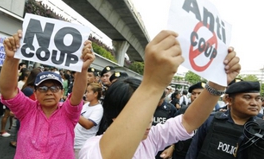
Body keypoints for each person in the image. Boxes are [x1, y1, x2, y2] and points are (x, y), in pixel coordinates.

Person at [78, 30, 241, 159]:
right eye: (140, 112)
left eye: (150, 111)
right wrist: (153, 83)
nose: (149, 119)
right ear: (115, 115)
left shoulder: (149, 139)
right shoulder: (92, 148)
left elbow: (188, 121)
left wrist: (218, 83)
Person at [0, 30, 95, 159]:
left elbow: (77, 97)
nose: (49, 92)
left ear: (62, 93)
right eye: (43, 88)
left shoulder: (68, 113)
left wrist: (82, 69)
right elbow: (8, 91)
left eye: (54, 88)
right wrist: (11, 59)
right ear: (35, 92)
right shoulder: (26, 110)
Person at [186, 81, 264, 159]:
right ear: (229, 100)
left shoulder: (260, 128)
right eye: (247, 97)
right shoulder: (210, 120)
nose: (254, 103)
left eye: (258, 98)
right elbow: (193, 151)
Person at [74, 83, 103, 158]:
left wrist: (74, 113)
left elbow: (88, 125)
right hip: (74, 143)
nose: (86, 94)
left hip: (81, 145)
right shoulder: (87, 105)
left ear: (95, 94)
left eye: (88, 92)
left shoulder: (98, 109)